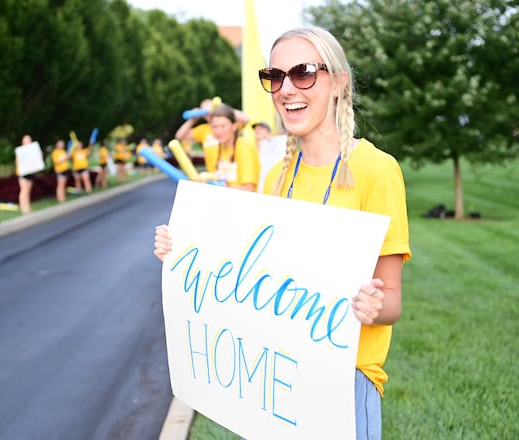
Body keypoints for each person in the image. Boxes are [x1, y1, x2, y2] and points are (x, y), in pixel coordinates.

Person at [155, 26, 411, 439]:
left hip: (343, 382)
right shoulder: (276, 175)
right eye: (275, 77)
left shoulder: (377, 170)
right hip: (279, 378)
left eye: (304, 72)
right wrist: (183, 252)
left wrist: (369, 307)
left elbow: (392, 303)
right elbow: (249, 274)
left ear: (338, 83)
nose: (287, 88)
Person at [201, 103, 260, 191]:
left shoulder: (243, 147)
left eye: (223, 126)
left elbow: (249, 189)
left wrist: (215, 186)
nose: (218, 131)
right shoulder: (218, 147)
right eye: (214, 127)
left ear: (234, 126)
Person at [175, 98, 250, 154]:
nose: (209, 113)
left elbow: (245, 119)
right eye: (205, 112)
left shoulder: (227, 125)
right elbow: (179, 136)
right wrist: (193, 119)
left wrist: (222, 107)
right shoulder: (203, 129)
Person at [252, 121, 287, 193]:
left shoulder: (276, 144)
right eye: (255, 129)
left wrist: (270, 137)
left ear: (268, 131)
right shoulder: (253, 148)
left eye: (261, 128)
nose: (257, 130)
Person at [15, 134, 37, 214]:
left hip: (29, 173)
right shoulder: (21, 151)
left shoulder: (33, 150)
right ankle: (23, 208)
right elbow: (18, 162)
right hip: (23, 173)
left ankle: (27, 207)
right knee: (24, 190)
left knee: (28, 191)